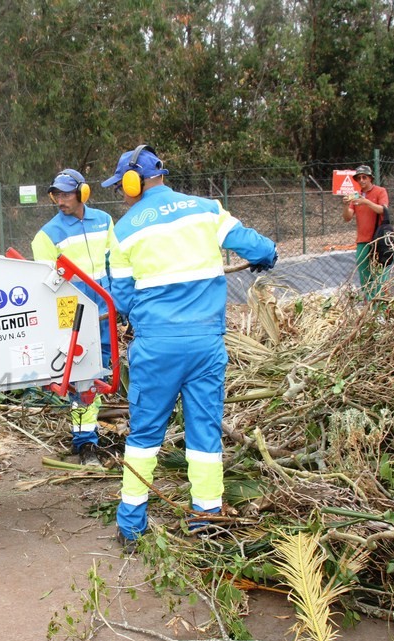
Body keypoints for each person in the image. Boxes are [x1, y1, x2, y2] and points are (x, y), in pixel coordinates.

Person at [101, 145, 277, 551]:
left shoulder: (124, 229)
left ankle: (130, 526)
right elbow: (257, 246)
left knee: (144, 436)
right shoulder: (205, 209)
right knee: (204, 432)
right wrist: (267, 257)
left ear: (135, 182)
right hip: (205, 346)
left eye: (121, 186)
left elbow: (122, 300)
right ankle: (207, 518)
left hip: (157, 349)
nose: (121, 194)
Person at [30, 169, 120, 467]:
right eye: (56, 194)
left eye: (66, 193)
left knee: (103, 369)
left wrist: (119, 301)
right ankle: (85, 443)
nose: (59, 200)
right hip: (74, 311)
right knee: (84, 373)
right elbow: (44, 285)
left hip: (105, 307)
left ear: (83, 193)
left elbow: (116, 263)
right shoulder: (46, 236)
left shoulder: (105, 221)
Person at [342, 164, 390, 299]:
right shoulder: (356, 196)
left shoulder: (380, 191)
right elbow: (347, 217)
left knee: (381, 274)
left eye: (364, 177)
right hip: (363, 240)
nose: (361, 180)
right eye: (359, 178)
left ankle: (381, 306)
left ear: (370, 178)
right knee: (364, 274)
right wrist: (346, 205)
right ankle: (370, 305)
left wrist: (366, 202)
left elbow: (383, 209)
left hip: (379, 239)